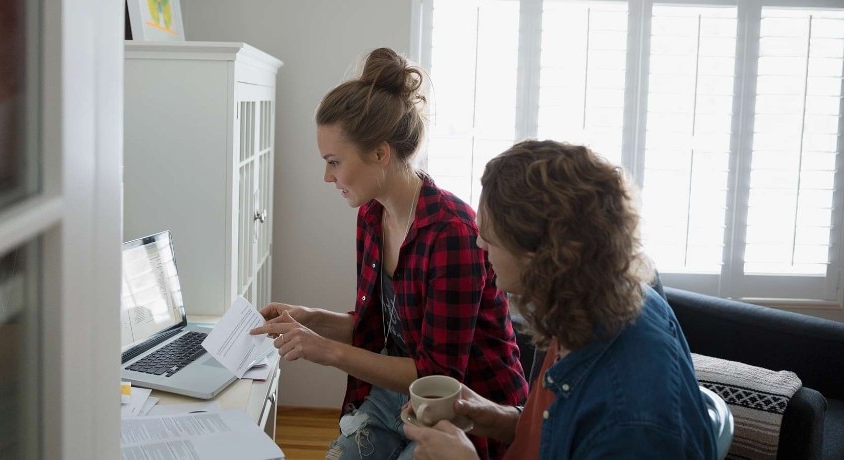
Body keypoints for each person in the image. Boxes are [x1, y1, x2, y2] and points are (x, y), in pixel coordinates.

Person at [249, 48, 528, 460]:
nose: (327, 177)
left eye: (334, 162)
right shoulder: (370, 216)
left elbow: (437, 376)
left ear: (381, 153)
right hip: (395, 396)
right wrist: (313, 321)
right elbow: (381, 330)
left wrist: (324, 350)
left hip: (462, 412)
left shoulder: (452, 233)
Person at [401, 139, 717, 459]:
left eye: (491, 236)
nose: (480, 243)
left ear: (541, 256)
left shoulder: (631, 424)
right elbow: (564, 434)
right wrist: (500, 418)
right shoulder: (585, 306)